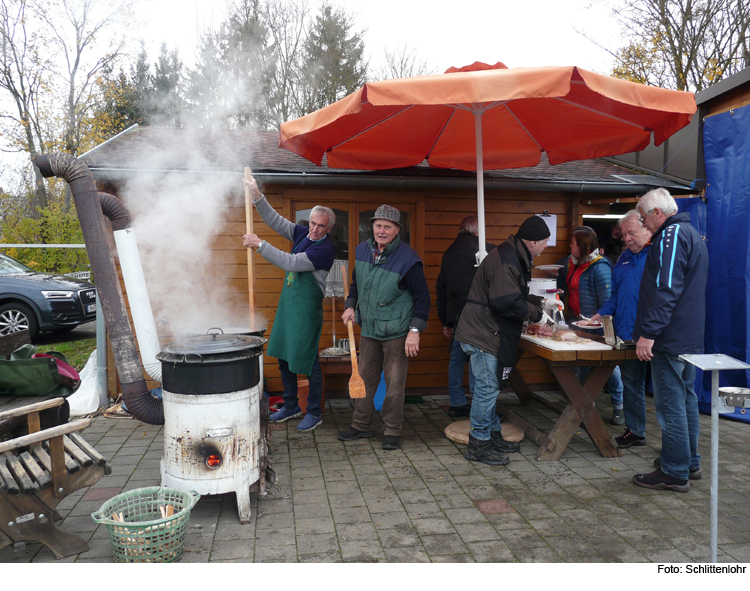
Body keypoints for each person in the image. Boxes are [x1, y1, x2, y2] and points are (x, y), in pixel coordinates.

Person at [454, 216, 557, 466]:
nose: (545, 247)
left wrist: (540, 302)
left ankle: (491, 434)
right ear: (533, 242)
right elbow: (505, 301)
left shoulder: (511, 254)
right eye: (544, 242)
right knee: (487, 389)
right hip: (484, 333)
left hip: (482, 330)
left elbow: (513, 293)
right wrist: (539, 316)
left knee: (486, 388)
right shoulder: (507, 260)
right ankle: (478, 444)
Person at [242, 176, 335, 432]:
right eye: (313, 223)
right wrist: (257, 195)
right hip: (288, 308)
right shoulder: (303, 233)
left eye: (321, 226)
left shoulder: (325, 250)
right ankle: (292, 405)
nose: (315, 229)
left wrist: (260, 245)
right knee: (284, 356)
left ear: (328, 229)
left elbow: (290, 263)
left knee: (307, 362)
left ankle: (314, 412)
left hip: (306, 312)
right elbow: (276, 221)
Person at [632, 188, 708, 492]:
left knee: (671, 404)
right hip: (688, 336)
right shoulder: (691, 233)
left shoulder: (672, 235)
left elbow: (667, 289)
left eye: (643, 217)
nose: (642, 224)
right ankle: (688, 462)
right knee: (687, 399)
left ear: (657, 214)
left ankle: (675, 470)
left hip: (669, 337)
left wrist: (648, 333)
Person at [337, 205, 430, 451]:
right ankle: (361, 425)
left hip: (397, 333)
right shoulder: (362, 250)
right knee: (365, 380)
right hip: (369, 329)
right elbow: (357, 285)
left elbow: (423, 299)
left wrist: (414, 331)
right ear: (373, 226)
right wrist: (350, 305)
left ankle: (392, 430)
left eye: (387, 227)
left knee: (394, 383)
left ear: (397, 229)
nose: (381, 231)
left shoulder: (409, 259)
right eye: (378, 225)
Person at [591, 211, 653, 448]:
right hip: (627, 334)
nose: (626, 238)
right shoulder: (623, 259)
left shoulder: (658, 256)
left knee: (666, 393)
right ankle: (635, 431)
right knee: (632, 384)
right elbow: (615, 296)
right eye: (624, 234)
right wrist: (601, 312)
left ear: (647, 229)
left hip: (654, 335)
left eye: (632, 233)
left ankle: (674, 445)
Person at [563, 226, 625, 425]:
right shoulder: (571, 263)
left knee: (609, 368)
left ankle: (619, 407)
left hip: (597, 326)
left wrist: (594, 320)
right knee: (581, 365)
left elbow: (607, 300)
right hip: (578, 323)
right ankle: (588, 406)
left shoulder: (600, 267)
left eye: (573, 243)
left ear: (581, 246)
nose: (570, 245)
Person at [436, 216, 495, 418]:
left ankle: (457, 402)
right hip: (480, 314)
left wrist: (445, 320)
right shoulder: (487, 250)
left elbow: (441, 288)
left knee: (457, 358)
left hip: (456, 314)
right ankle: (478, 403)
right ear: (477, 232)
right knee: (478, 357)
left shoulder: (449, 252)